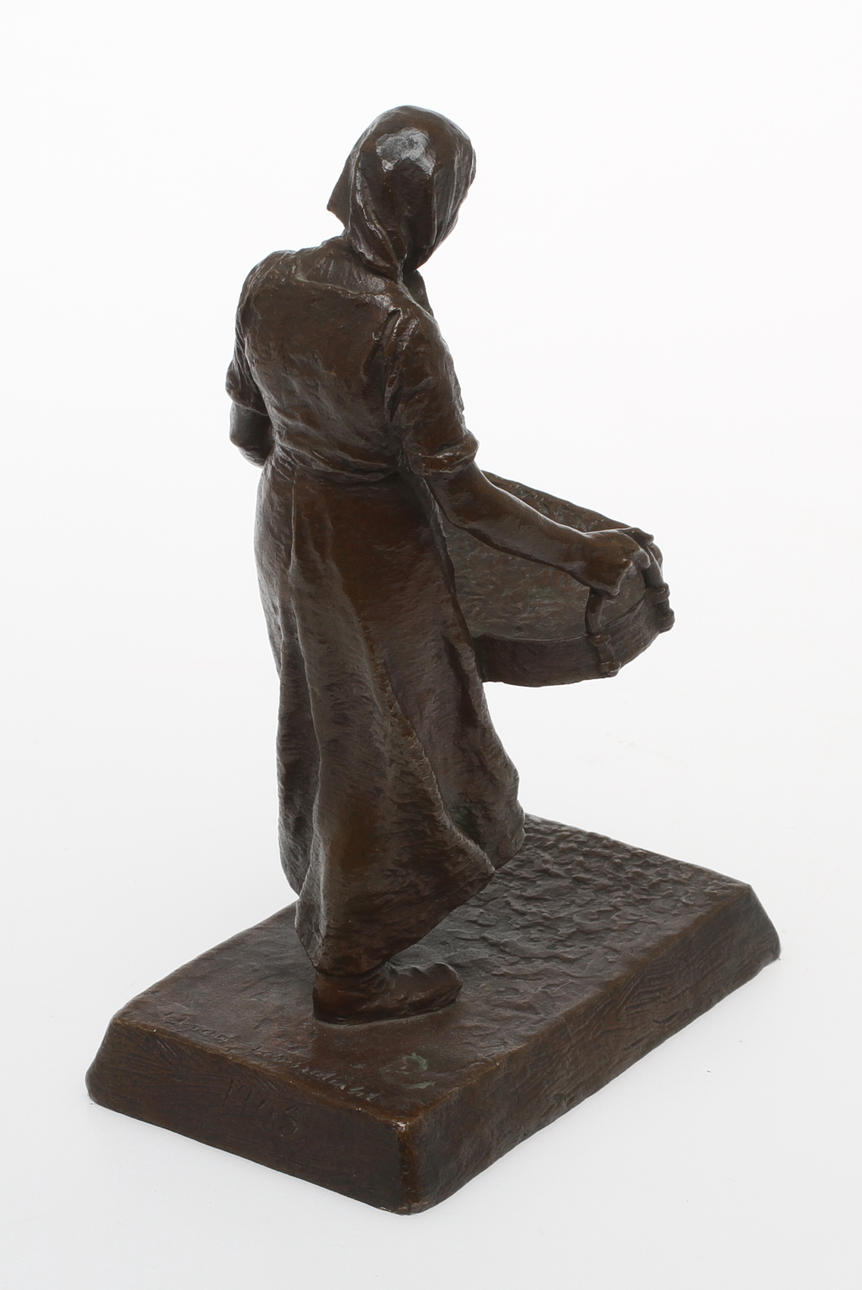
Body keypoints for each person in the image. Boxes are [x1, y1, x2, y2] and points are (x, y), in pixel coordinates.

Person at [227, 106, 648, 1023]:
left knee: (330, 721)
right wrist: (584, 552)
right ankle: (351, 968)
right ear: (433, 214)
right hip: (375, 556)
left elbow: (249, 432)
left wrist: (322, 458)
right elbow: (459, 495)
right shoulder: (399, 330)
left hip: (290, 527)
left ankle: (334, 902)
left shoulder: (271, 280)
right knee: (389, 744)